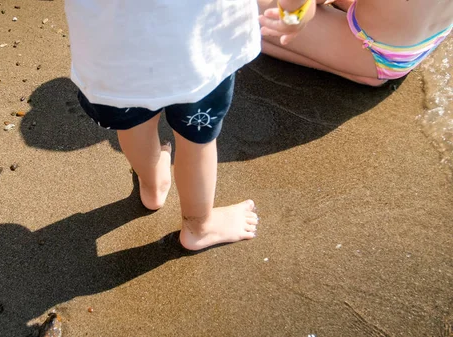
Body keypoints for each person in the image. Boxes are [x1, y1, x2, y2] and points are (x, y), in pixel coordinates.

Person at [60, 0, 313, 252]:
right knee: (196, 140)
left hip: (114, 58)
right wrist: (295, 12)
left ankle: (152, 187)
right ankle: (198, 227)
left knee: (133, 125)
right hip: (198, 53)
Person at [258, 0, 453, 86]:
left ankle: (363, 69)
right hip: (425, 39)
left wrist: (295, 17)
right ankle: (364, 71)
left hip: (371, 50)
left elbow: (299, 7)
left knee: (238, 7)